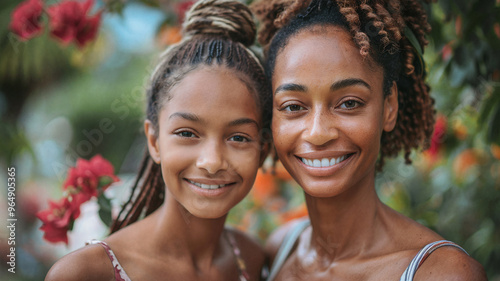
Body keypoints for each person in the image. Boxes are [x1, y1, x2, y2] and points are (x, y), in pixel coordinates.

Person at [250, 0, 487, 280]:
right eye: (293, 106)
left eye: (349, 103)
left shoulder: (440, 273)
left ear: (389, 107)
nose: (318, 132)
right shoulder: (281, 249)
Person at [45, 0, 272, 280]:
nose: (212, 162)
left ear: (263, 150)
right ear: (154, 141)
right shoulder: (87, 273)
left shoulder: (250, 258)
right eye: (187, 133)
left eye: (238, 137)